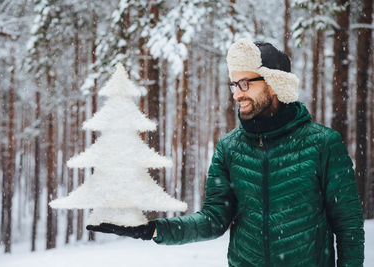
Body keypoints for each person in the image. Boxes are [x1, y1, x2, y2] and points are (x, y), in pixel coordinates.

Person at [86, 39, 365, 266]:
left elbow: (349, 227)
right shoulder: (230, 147)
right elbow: (213, 220)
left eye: (246, 83)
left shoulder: (323, 144)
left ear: (274, 83)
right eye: (234, 84)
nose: (237, 94)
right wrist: (152, 229)